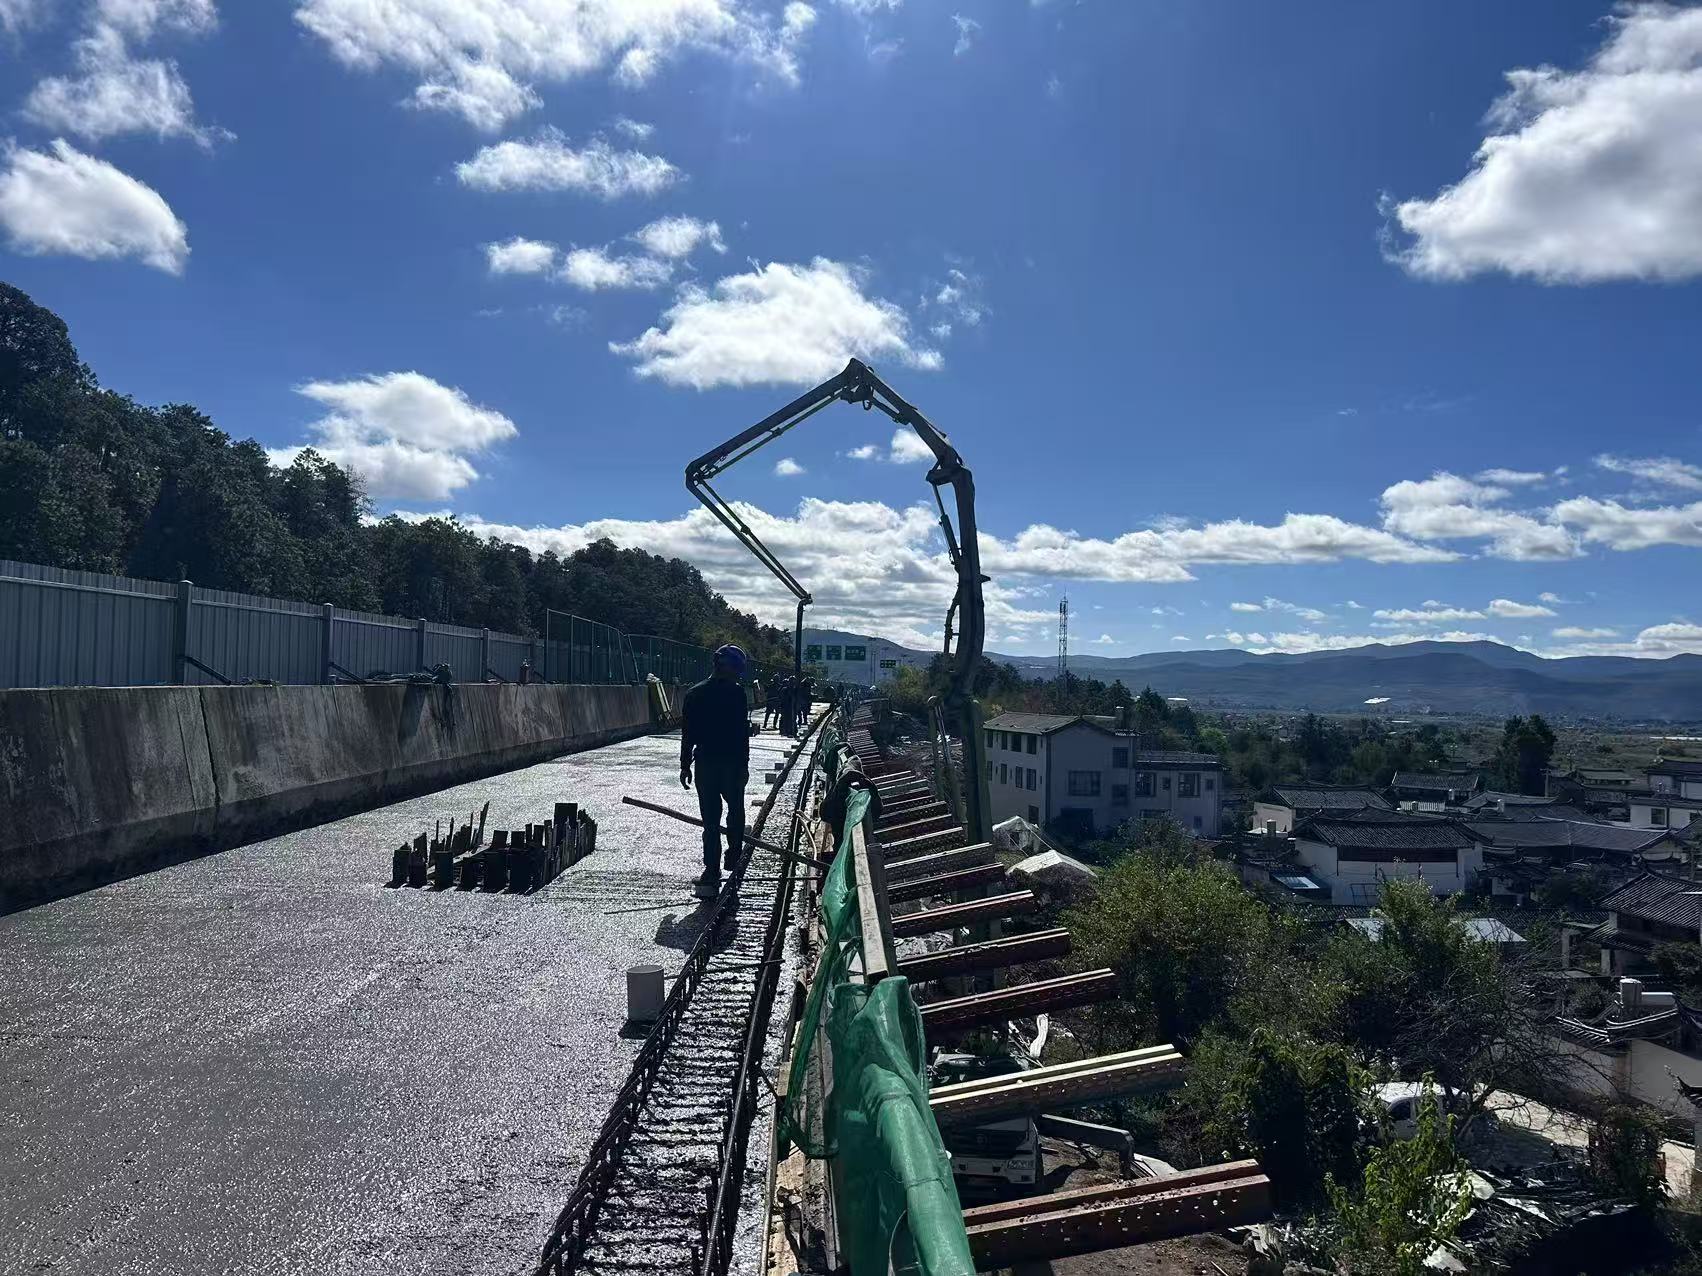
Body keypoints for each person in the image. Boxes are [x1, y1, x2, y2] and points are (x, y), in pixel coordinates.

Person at [680, 644, 751, 899]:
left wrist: (685, 765)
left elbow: (688, 734)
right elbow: (742, 733)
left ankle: (711, 871)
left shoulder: (694, 693)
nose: (737, 674)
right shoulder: (737, 693)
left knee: (710, 821)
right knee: (735, 810)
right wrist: (744, 764)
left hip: (706, 764)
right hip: (732, 763)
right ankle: (734, 855)